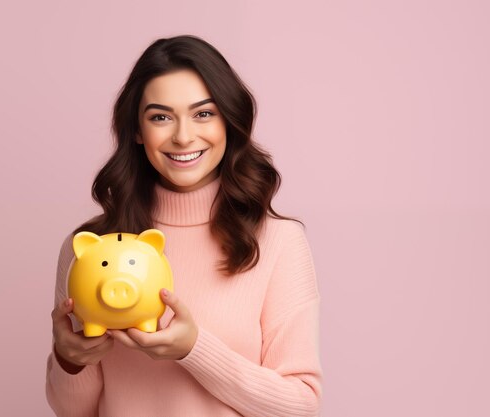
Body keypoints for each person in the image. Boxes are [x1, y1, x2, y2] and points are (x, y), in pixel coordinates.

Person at [46, 34, 322, 417]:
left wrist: (194, 349)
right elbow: (72, 411)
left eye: (203, 114)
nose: (183, 136)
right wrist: (69, 359)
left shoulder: (278, 241)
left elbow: (301, 405)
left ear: (229, 120)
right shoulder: (90, 247)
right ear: (138, 132)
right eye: (160, 117)